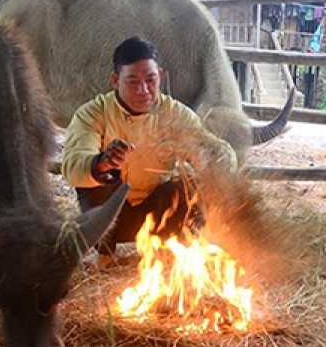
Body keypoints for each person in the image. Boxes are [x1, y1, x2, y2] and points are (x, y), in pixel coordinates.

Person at [61, 36, 236, 271]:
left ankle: (167, 254)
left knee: (186, 188)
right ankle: (104, 254)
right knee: (99, 180)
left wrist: (221, 159)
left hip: (155, 213)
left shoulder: (175, 115)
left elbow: (209, 147)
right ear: (115, 80)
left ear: (160, 77)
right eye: (133, 81)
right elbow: (72, 166)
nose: (143, 90)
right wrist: (102, 164)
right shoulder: (93, 114)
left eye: (150, 80)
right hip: (108, 217)